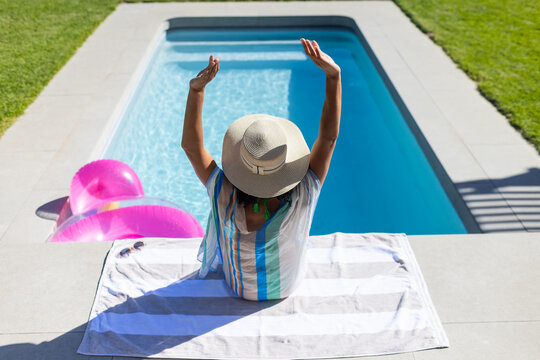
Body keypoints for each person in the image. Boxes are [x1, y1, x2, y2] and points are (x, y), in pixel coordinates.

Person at [181, 38, 341, 301]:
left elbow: (191, 146)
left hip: (238, 288)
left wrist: (196, 90)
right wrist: (333, 76)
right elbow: (328, 139)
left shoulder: (222, 193)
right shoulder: (304, 194)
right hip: (287, 289)